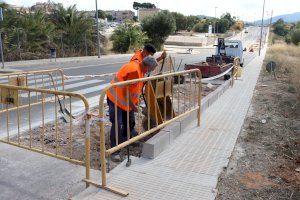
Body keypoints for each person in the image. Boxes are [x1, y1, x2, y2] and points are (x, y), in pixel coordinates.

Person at [106, 56, 158, 161]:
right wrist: (133, 106)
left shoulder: (140, 69)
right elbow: (127, 92)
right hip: (115, 98)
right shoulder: (134, 71)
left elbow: (134, 89)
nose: (150, 72)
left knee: (129, 121)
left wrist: (135, 102)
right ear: (147, 67)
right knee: (118, 123)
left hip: (123, 101)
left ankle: (127, 140)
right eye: (151, 69)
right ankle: (114, 151)